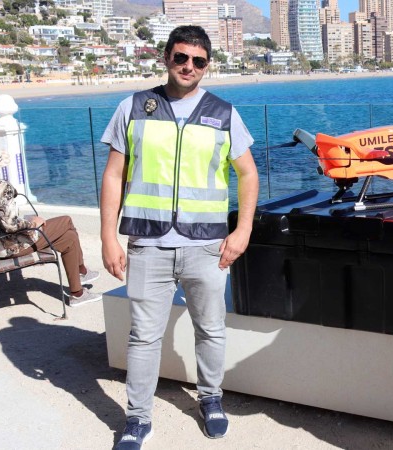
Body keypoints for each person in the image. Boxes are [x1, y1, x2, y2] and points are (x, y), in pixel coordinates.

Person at [99, 25, 258, 449]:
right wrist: (108, 239)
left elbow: (248, 174)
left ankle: (211, 398)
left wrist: (242, 231)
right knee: (143, 335)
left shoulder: (223, 113)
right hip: (147, 242)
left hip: (206, 245)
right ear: (166, 57)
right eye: (181, 57)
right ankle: (137, 419)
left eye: (198, 61)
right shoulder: (134, 107)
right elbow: (114, 174)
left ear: (208, 66)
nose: (189, 66)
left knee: (211, 329)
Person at [0, 138, 101, 306]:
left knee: (69, 239)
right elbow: (11, 226)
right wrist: (33, 223)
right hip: (11, 247)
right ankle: (81, 273)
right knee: (67, 221)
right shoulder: (0, 188)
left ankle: (78, 290)